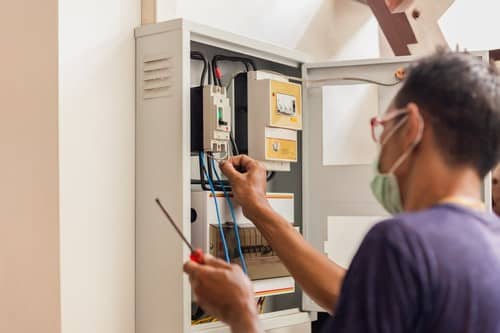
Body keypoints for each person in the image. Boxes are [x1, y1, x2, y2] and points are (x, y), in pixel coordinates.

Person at [184, 51, 500, 333]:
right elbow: (354, 295)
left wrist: (241, 315)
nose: (381, 144)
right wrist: (258, 209)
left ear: (412, 126)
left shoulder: (401, 243)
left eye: (384, 125)